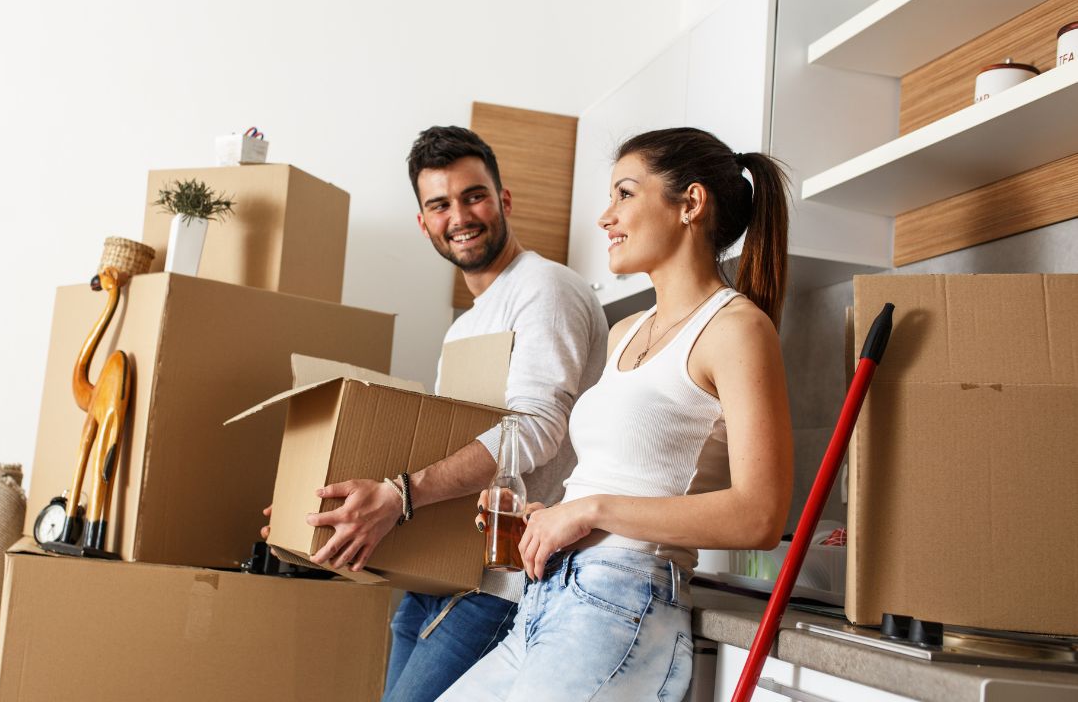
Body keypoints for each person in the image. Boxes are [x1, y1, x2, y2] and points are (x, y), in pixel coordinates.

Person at [440, 127, 795, 701]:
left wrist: (591, 511)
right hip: (547, 597)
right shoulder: (625, 331)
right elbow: (614, 477)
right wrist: (545, 516)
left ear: (691, 203)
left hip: (621, 606)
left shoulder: (737, 330)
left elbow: (759, 516)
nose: (606, 216)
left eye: (624, 194)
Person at [263, 125, 608, 702]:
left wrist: (397, 495)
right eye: (439, 204)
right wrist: (316, 509)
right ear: (424, 223)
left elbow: (539, 429)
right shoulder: (465, 327)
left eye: (473, 195)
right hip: (441, 575)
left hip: (503, 584)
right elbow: (439, 454)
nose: (460, 216)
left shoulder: (545, 289)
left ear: (504, 200)